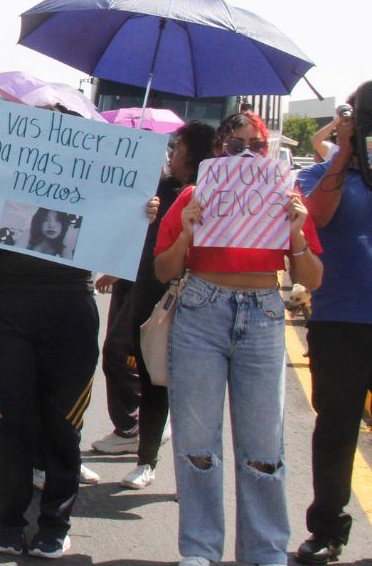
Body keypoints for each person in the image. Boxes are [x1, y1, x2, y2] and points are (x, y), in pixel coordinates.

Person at [0, 109, 159, 559]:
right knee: (8, 421)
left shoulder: (95, 180)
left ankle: (55, 524)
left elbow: (118, 241)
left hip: (70, 308)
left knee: (63, 424)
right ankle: (10, 520)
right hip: (7, 306)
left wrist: (140, 213)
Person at [154, 111, 323, 566]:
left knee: (264, 444)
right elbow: (163, 270)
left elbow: (312, 278)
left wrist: (297, 233)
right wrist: (186, 232)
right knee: (197, 441)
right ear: (217, 151)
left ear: (269, 152)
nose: (246, 154)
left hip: (264, 310)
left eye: (256, 145)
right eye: (235, 145)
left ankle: (265, 550)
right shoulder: (193, 196)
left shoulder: (285, 198)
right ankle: (200, 549)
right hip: (201, 311)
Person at [95, 121, 215, 487]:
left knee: (196, 390)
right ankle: (146, 459)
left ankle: (194, 475)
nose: (172, 154)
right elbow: (139, 236)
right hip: (150, 293)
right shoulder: (158, 189)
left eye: (177, 148)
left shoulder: (215, 193)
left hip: (198, 299)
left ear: (192, 154)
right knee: (151, 377)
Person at [294, 93, 370, 565]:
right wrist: (343, 151)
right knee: (338, 430)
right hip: (341, 321)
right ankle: (326, 529)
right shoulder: (323, 172)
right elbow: (317, 217)